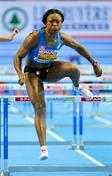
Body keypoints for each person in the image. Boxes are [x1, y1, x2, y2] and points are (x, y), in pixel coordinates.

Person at [14, 9, 102, 160]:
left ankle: (76, 87)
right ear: (45, 23)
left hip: (49, 70)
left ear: (61, 24)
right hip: (32, 73)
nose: (54, 24)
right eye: (51, 21)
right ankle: (43, 148)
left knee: (73, 69)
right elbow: (18, 56)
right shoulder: (34, 37)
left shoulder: (62, 38)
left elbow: (79, 47)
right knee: (40, 108)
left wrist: (94, 63)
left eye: (57, 22)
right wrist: (20, 75)